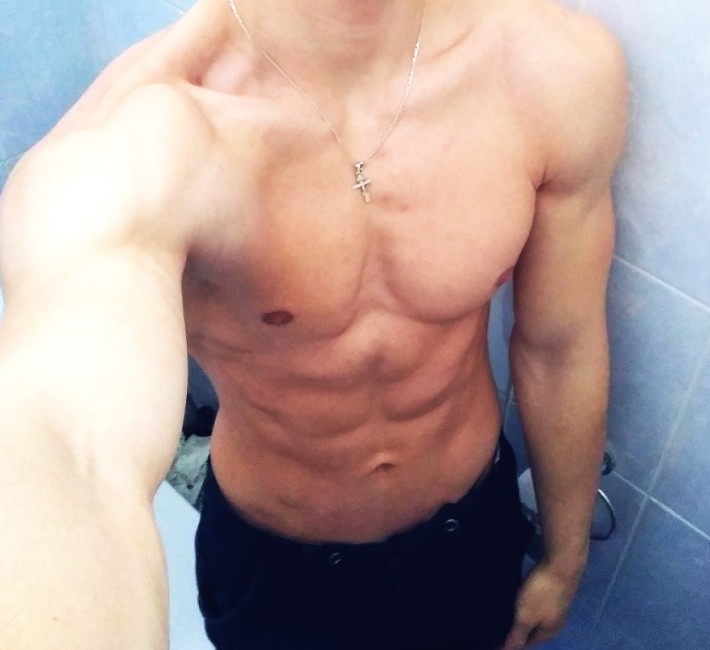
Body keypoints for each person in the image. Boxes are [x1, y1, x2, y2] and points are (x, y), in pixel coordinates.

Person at [0, 0, 628, 648]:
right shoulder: (136, 143)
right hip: (280, 571)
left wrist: (565, 554)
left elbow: (559, 348)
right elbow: (66, 446)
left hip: (471, 536)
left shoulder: (552, 72)